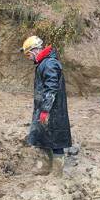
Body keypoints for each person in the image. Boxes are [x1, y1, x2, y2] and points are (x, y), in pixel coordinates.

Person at [20, 35, 72, 176]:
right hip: (46, 109)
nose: (28, 58)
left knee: (56, 141)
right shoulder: (44, 64)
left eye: (28, 54)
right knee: (43, 138)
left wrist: (45, 110)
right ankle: (46, 167)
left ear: (35, 50)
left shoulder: (49, 64)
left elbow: (51, 89)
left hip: (53, 111)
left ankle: (57, 173)